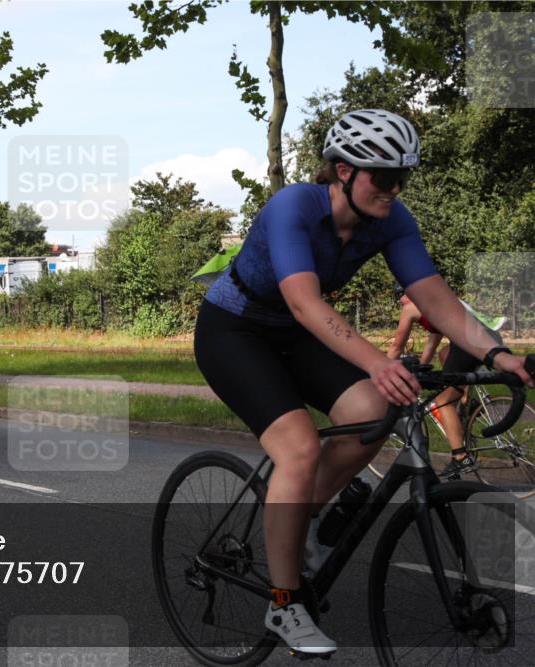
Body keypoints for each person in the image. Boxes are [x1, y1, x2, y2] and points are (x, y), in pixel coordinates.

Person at [194, 109, 533, 657]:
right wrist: (379, 359)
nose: (394, 189)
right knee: (299, 448)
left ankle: (299, 521)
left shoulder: (391, 220)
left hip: (295, 334)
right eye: (383, 176)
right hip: (236, 330)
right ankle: (284, 603)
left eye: (403, 178)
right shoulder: (293, 208)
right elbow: (305, 303)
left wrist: (496, 351)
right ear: (343, 171)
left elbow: (434, 297)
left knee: (375, 412)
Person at [387, 286, 506, 477]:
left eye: (400, 295)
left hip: (470, 341)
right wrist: (420, 369)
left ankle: (461, 458)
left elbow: (396, 347)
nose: (400, 301)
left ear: (408, 293)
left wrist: (384, 370)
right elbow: (432, 345)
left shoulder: (410, 307)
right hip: (488, 336)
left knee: (442, 402)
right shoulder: (435, 303)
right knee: (444, 353)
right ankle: (465, 399)